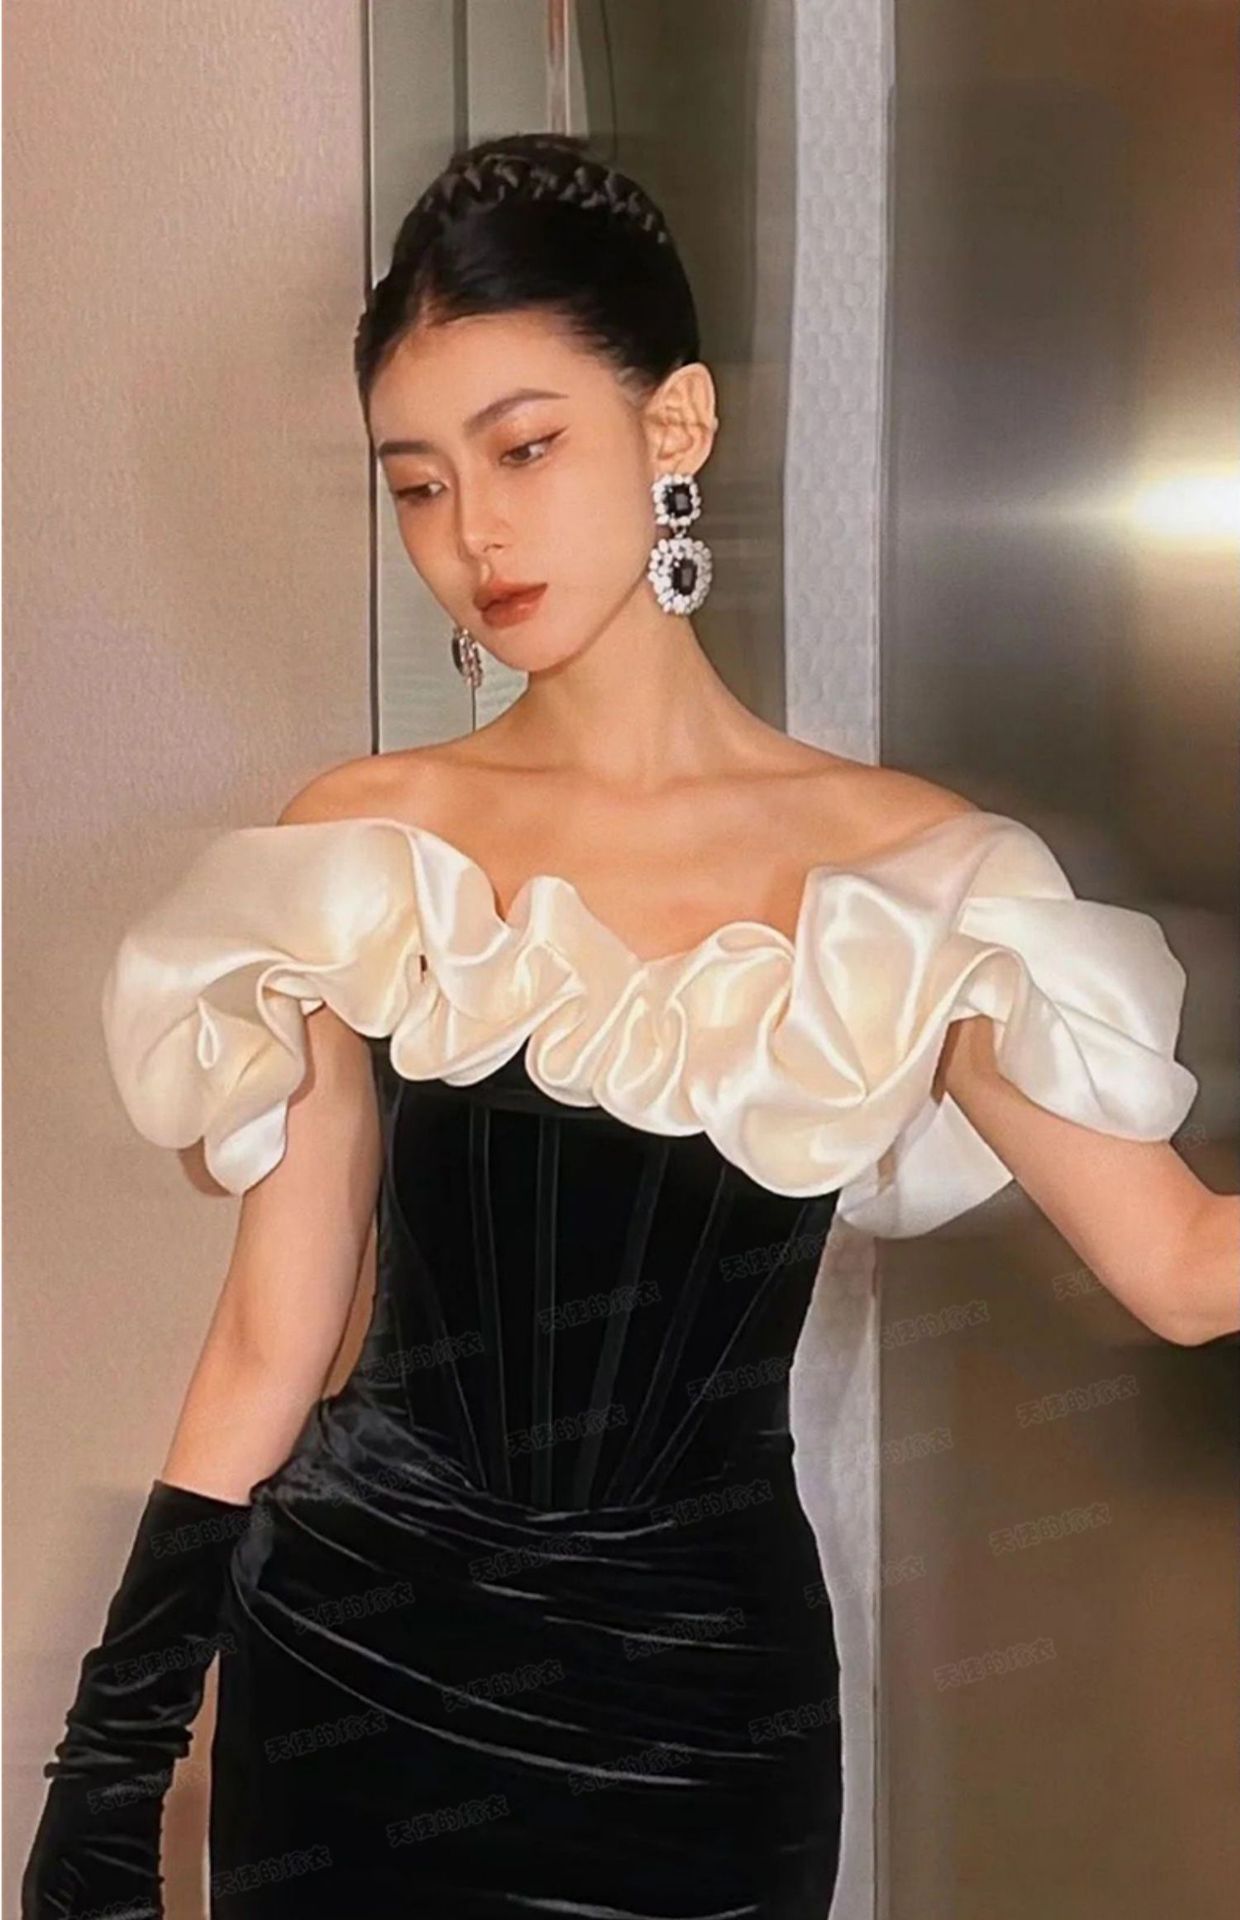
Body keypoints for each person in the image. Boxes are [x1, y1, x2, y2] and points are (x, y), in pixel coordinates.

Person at [23, 131, 1234, 1920]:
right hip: (354, 1681)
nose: (473, 535)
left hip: (703, 1722)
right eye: (418, 485)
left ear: (675, 423)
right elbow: (276, 1340)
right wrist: (110, 1764)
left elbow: (1188, 1269)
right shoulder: (369, 844)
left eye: (524, 449)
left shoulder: (914, 881)